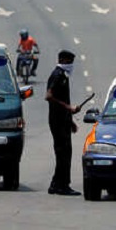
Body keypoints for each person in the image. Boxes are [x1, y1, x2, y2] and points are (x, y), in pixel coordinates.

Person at [45, 50, 81, 196]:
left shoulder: (63, 75)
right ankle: (62, 185)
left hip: (63, 120)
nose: (72, 65)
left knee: (64, 152)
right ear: (64, 60)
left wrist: (70, 120)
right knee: (64, 153)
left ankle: (55, 184)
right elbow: (49, 96)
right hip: (57, 121)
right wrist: (68, 108)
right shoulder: (57, 75)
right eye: (70, 62)